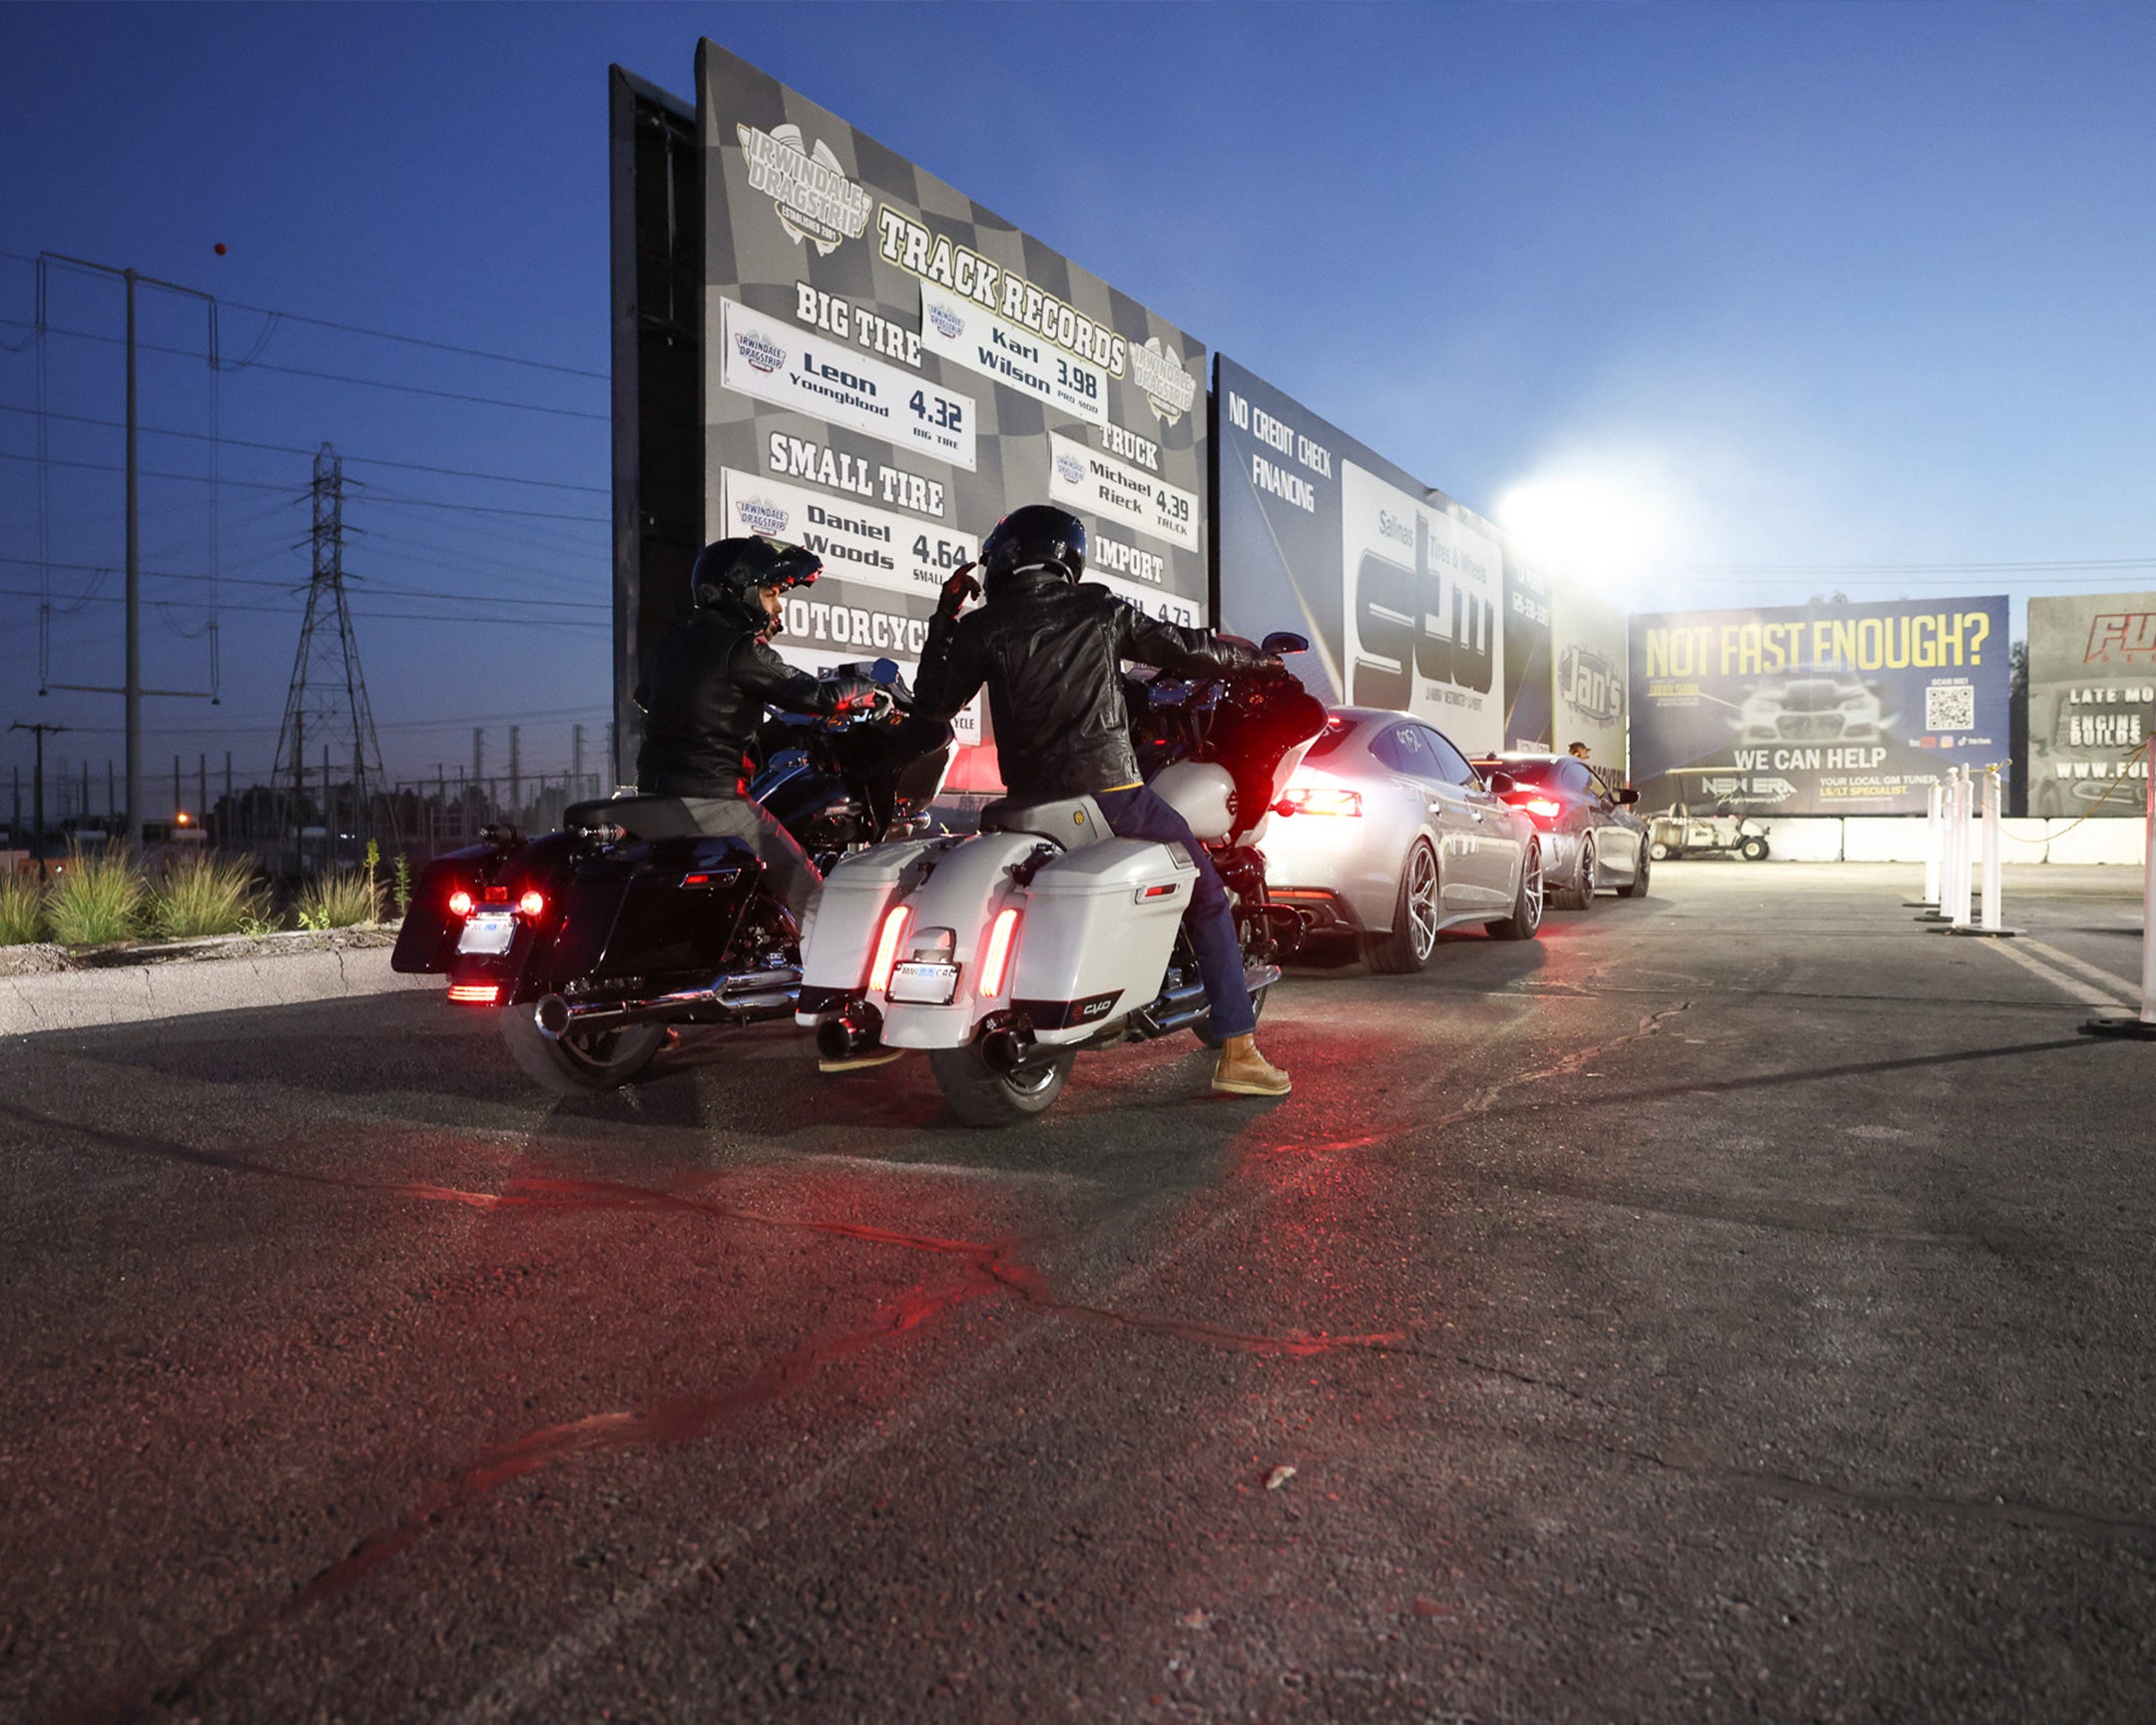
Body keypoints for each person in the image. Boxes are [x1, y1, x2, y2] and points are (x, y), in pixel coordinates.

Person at [914, 504, 1292, 1097]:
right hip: (1111, 794)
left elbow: (933, 702)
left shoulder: (982, 626)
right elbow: (1183, 649)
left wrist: (945, 615)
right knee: (1209, 895)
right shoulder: (1097, 607)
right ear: (1066, 556)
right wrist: (1255, 662)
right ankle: (1239, 1050)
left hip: (1027, 802)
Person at [634, 535, 885, 931]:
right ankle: (829, 980)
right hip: (712, 799)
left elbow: (647, 697)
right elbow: (817, 695)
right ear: (740, 593)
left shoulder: (670, 643)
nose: (777, 605)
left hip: (654, 795)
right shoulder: (740, 648)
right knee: (811, 894)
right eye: (769, 593)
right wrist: (869, 691)